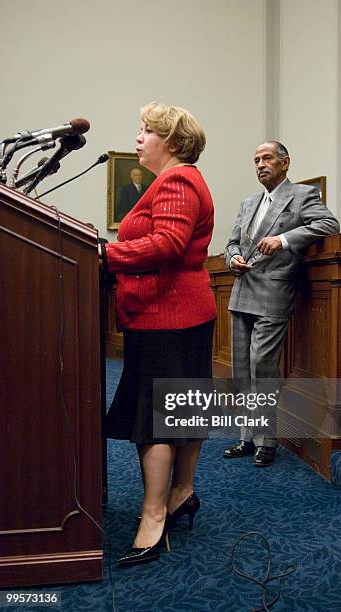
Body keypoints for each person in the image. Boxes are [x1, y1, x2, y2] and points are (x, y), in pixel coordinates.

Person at [99, 102, 216, 566]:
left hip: (168, 315)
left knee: (156, 419)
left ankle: (153, 516)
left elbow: (167, 245)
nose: (139, 138)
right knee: (182, 409)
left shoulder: (178, 180)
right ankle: (182, 493)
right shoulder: (174, 180)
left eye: (147, 130)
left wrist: (108, 254)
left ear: (172, 140)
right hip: (178, 312)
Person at [223, 141, 340, 467]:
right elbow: (231, 242)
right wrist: (232, 258)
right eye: (256, 159)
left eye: (268, 158)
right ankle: (247, 438)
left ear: (285, 163)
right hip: (241, 289)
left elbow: (329, 224)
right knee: (242, 371)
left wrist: (284, 239)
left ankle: (267, 441)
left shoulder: (302, 195)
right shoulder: (248, 202)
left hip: (274, 292)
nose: (261, 164)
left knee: (263, 367)